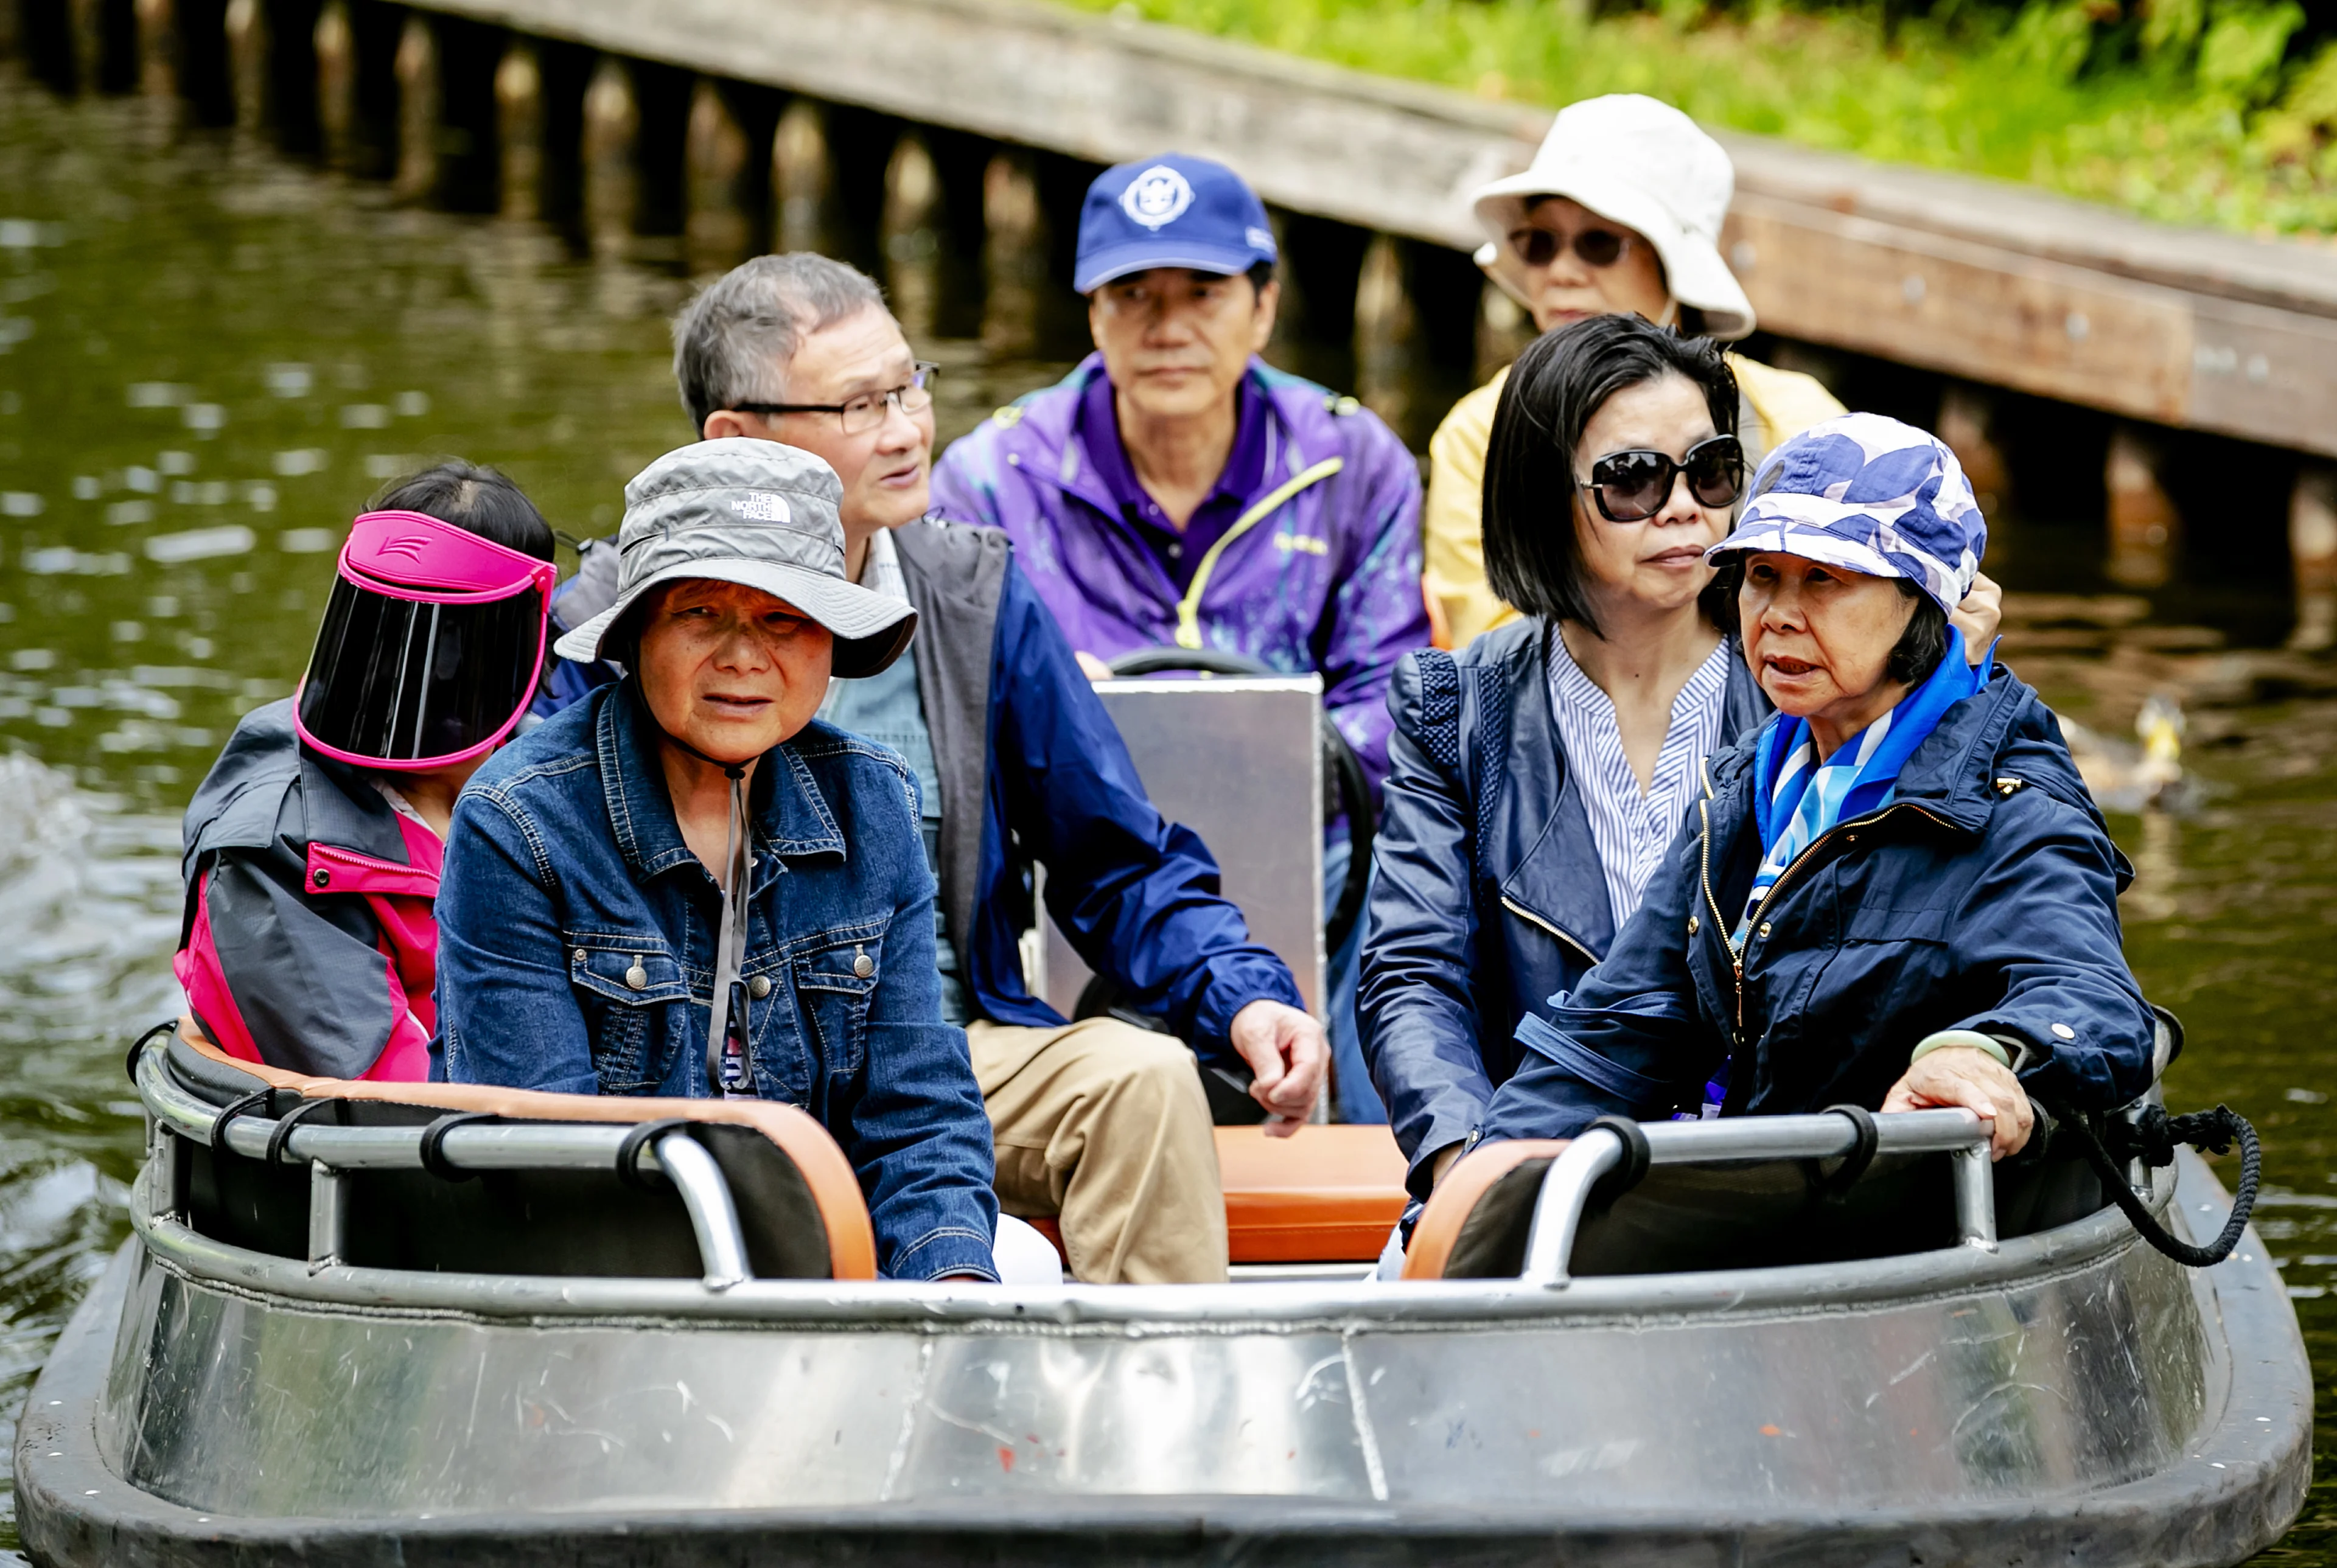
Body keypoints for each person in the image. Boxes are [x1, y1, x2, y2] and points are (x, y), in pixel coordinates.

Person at [549, 254, 1328, 1285]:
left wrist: (1241, 997)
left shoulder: (973, 593)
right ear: (736, 439)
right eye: (859, 405)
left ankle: (1159, 1420)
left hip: (942, 1049)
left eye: (910, 386)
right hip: (690, 1058)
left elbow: (1117, 861)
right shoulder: (605, 623)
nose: (910, 429)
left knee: (1139, 1074)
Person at [1361, 317, 2002, 1205]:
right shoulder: (1455, 708)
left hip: (1792, 1181)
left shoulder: (1833, 680)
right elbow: (1414, 974)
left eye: (1711, 470)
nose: (1683, 508)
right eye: (1632, 479)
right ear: (1542, 495)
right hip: (1537, 1169)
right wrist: (1469, 1172)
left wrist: (1949, 678)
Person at [1472, 412, 2154, 1157]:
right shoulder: (1747, 786)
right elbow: (1618, 1026)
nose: (1780, 617)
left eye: (1825, 580)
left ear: (1927, 605)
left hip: (1885, 1231)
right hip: (1753, 1202)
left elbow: (2093, 1001)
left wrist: (1981, 1055)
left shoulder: (2010, 807)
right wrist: (1471, 1190)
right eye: (1763, 577)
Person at [433, 439, 1010, 1283]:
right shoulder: (517, 824)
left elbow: (919, 1115)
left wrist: (947, 1284)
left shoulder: (875, 803)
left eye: (783, 619)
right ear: (638, 636)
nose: (743, 656)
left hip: (824, 1268)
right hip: (598, 1290)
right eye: (702, 614)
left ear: (827, 646)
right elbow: (544, 1161)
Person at [928, 153, 1425, 1124]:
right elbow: (957, 713)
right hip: (1069, 860)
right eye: (1133, 295)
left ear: (1264, 307)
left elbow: (1390, 696)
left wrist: (1276, 752)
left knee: (1405, 904)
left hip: (1319, 842)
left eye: (1203, 293)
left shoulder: (1352, 459)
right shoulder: (993, 477)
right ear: (1092, 313)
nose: (1169, 328)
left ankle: (1383, 1164)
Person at [1422, 94, 1854, 649]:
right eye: (1539, 243)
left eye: (1599, 243)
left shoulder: (1802, 423)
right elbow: (1489, 640)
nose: (1561, 271)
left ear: (1675, 266)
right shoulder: (1480, 432)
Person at [173, 463, 556, 1081]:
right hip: (414, 1161)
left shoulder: (560, 781)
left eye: (455, 643)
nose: (420, 672)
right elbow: (378, 1102)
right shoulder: (271, 847)